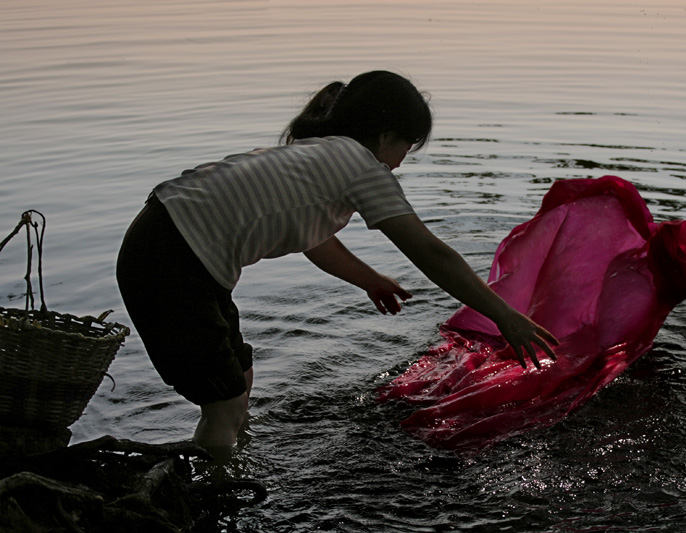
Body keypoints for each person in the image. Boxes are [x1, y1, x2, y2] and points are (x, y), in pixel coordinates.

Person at [116, 70, 558, 456]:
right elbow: (430, 252)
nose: (401, 162)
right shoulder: (363, 166)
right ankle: (216, 492)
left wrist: (369, 280)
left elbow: (316, 240)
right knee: (225, 401)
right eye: (406, 147)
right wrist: (504, 316)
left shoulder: (321, 154)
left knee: (240, 376)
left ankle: (231, 449)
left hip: (168, 241)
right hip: (173, 258)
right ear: (386, 136)